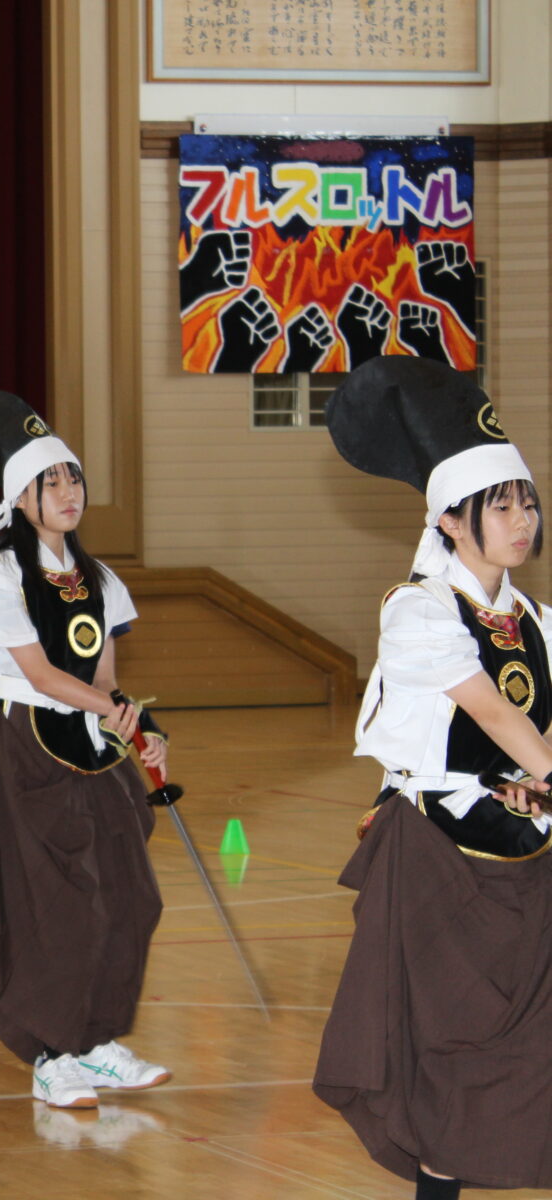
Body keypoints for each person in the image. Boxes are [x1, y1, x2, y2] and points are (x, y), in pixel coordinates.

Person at [315, 358, 552, 1200]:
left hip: (522, 851)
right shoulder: (418, 612)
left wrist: (540, 785)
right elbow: (491, 715)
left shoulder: (534, 621)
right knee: (451, 1042)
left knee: (521, 1043)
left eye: (526, 499)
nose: (521, 518)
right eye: (501, 505)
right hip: (439, 859)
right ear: (451, 522)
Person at [0, 390, 169, 1110]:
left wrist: (130, 724)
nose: (69, 493)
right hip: (21, 750)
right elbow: (39, 674)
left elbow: (100, 672)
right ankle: (49, 1053)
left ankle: (96, 1043)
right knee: (53, 907)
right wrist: (113, 710)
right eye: (51, 483)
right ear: (21, 499)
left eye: (73, 478)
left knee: (129, 898)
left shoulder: (98, 578)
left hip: (87, 748)